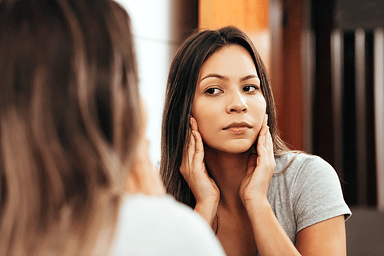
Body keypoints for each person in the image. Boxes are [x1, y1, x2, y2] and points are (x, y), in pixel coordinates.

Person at [0, 0, 225, 255]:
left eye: (250, 87)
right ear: (114, 103)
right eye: (133, 82)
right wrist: (159, 215)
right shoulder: (168, 234)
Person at [160, 26, 351, 256]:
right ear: (183, 109)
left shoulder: (309, 179)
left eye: (249, 87)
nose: (239, 104)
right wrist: (204, 207)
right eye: (213, 90)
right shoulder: (159, 193)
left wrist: (258, 203)